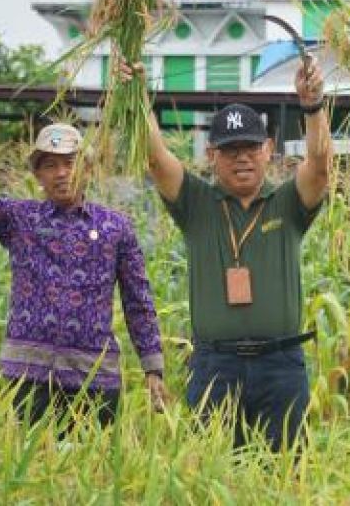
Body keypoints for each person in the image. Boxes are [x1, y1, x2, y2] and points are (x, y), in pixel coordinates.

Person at [141, 56, 330, 451]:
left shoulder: (287, 202)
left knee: (284, 479)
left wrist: (312, 106)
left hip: (280, 364)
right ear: (211, 155)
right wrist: (137, 97)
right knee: (214, 476)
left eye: (250, 147)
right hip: (215, 366)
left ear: (268, 149)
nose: (241, 157)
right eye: (230, 150)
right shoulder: (196, 202)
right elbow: (157, 159)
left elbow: (320, 165)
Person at [0, 123, 166, 430]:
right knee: (30, 467)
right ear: (38, 175)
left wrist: (152, 368)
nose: (62, 173)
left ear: (88, 170)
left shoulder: (115, 228)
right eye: (50, 166)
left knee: (94, 471)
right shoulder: (20, 219)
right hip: (30, 376)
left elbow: (138, 300)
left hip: (94, 380)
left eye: (70, 163)